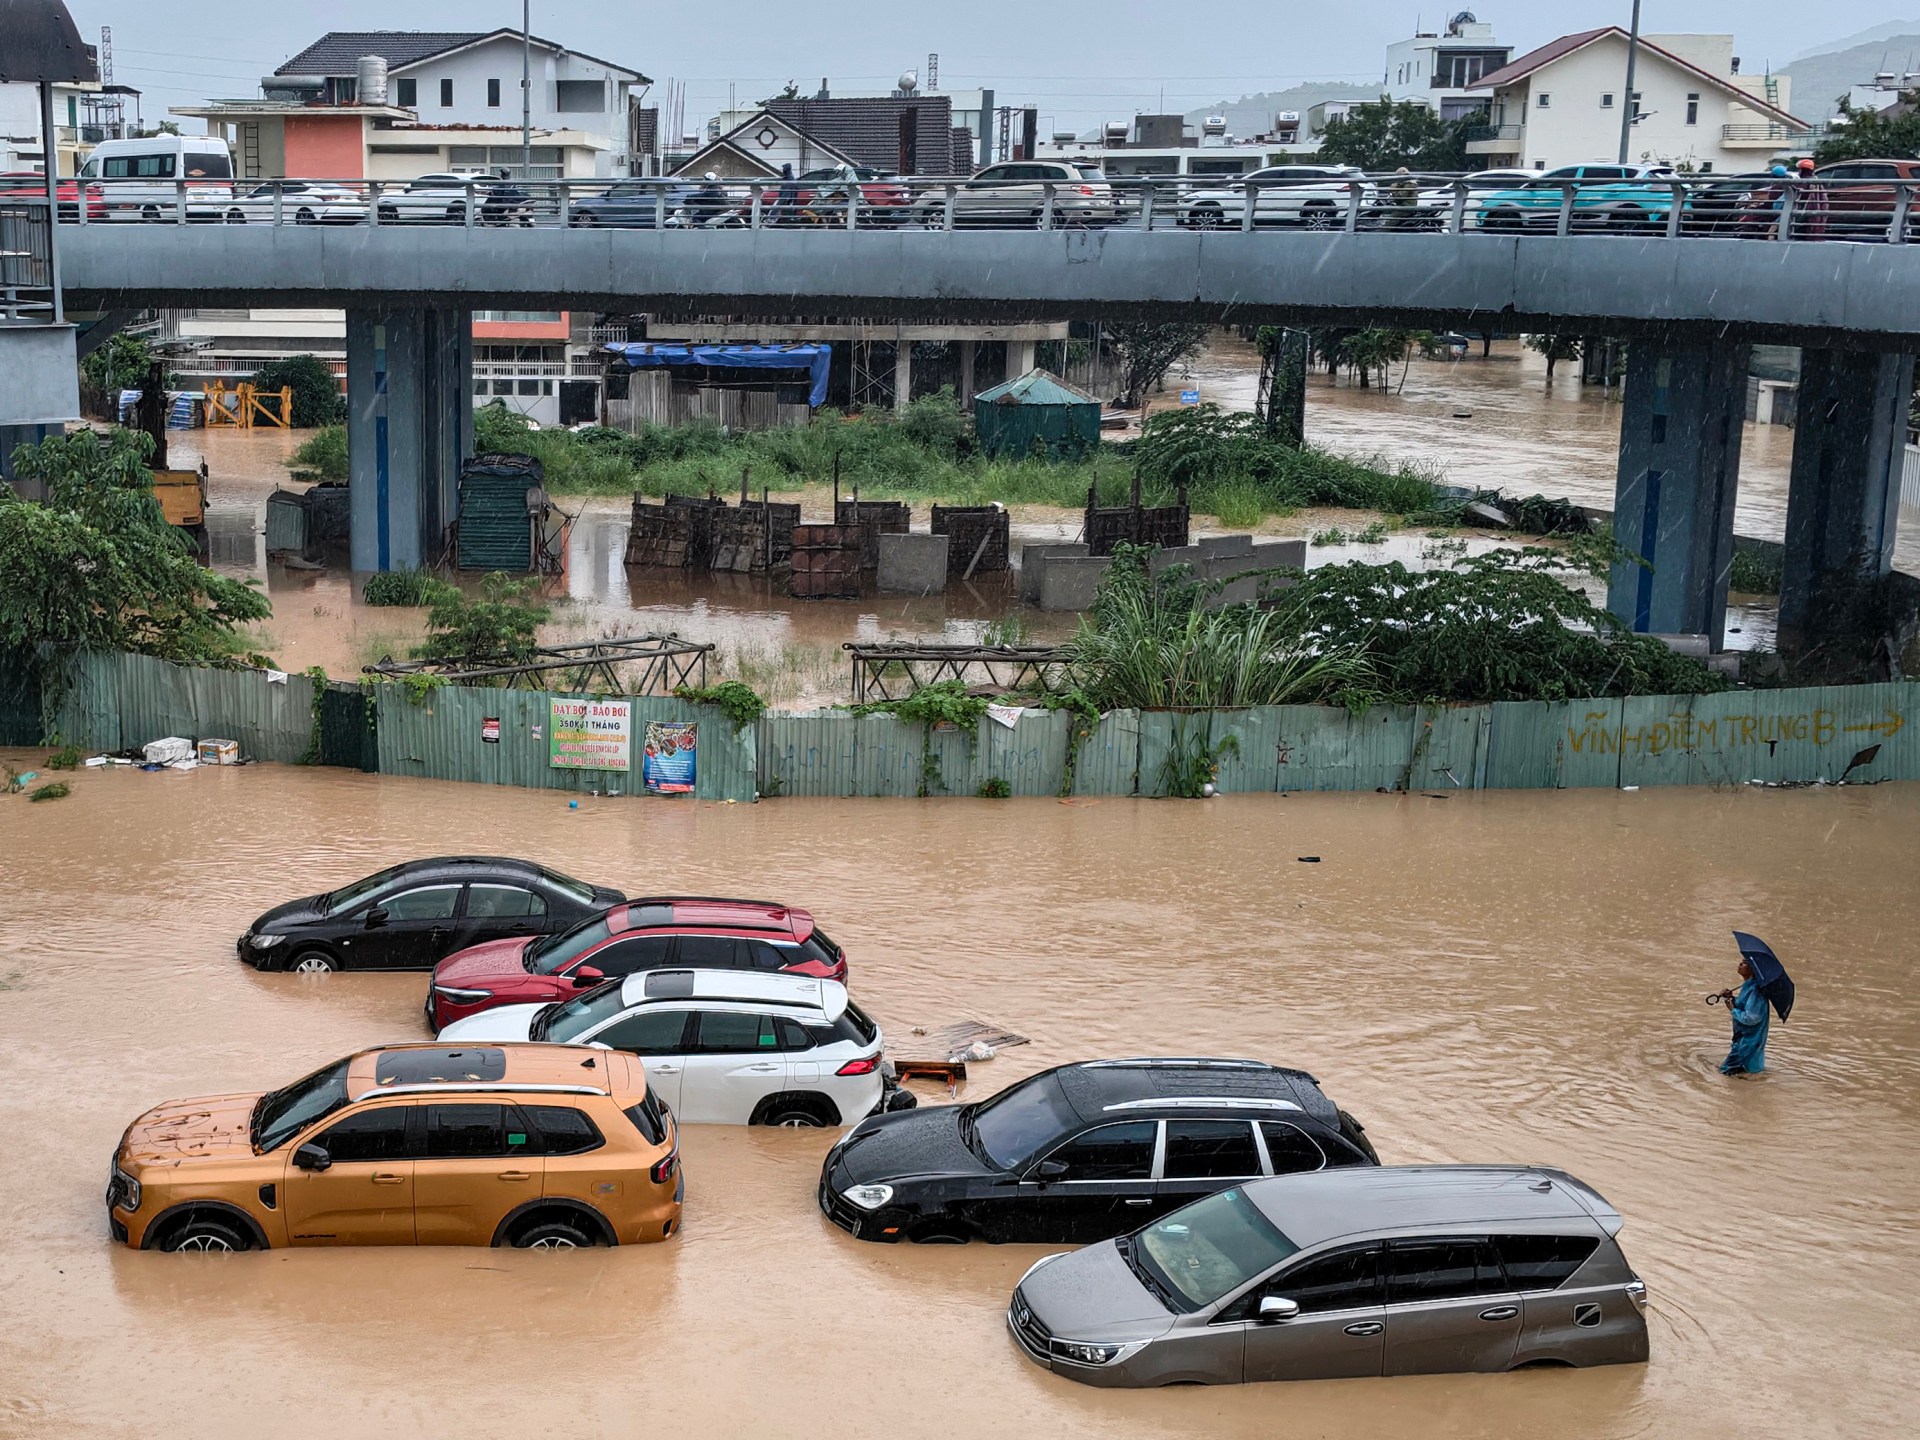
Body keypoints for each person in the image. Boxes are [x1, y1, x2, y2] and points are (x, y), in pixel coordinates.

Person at [1717, 958, 1771, 1075]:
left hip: (1748, 1042)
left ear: (1753, 969)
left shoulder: (1756, 990)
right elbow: (1745, 1006)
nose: (1740, 964)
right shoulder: (1748, 986)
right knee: (1747, 1074)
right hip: (1743, 1039)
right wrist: (1731, 998)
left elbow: (1751, 1018)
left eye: (1745, 963)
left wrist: (1732, 1010)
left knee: (1724, 1072)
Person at [1793, 156, 1827, 239]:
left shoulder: (1805, 182)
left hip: (1804, 212)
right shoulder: (1816, 180)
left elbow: (1800, 195)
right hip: (1814, 212)